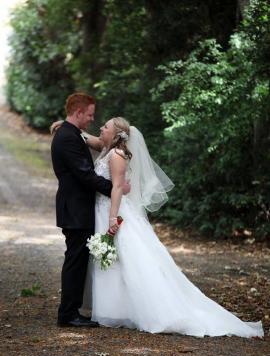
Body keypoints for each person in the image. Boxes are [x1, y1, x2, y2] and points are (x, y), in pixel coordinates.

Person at [78, 116, 263, 338]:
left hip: (112, 210)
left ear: (116, 134)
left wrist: (112, 220)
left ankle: (143, 310)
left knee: (124, 259)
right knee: (114, 261)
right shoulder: (109, 147)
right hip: (103, 209)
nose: (100, 127)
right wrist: (70, 129)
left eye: (105, 126)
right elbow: (95, 142)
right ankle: (116, 309)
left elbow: (117, 188)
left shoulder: (116, 155)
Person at [50, 93, 129, 327]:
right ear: (78, 113)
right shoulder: (67, 137)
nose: (92, 120)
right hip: (75, 209)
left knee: (78, 258)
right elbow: (85, 176)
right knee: (75, 259)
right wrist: (117, 188)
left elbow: (98, 142)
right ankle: (68, 314)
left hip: (78, 208)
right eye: (90, 115)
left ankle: (72, 310)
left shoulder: (72, 133)